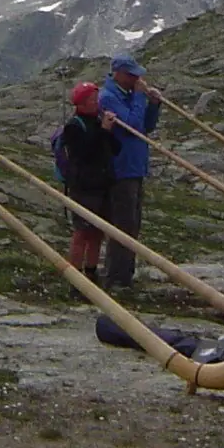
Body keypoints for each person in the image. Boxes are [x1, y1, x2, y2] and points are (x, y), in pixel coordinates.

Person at [97, 52, 162, 291]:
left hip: (135, 166)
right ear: (119, 75)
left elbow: (145, 126)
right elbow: (131, 126)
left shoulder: (127, 95)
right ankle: (115, 277)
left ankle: (126, 274)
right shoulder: (108, 97)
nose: (137, 79)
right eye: (132, 75)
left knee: (133, 223)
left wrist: (153, 105)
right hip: (120, 168)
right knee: (122, 224)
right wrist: (138, 96)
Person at [59, 81, 119, 295]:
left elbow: (115, 149)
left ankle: (91, 273)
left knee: (97, 232)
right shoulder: (74, 126)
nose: (97, 103)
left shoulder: (97, 120)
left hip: (102, 185)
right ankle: (75, 279)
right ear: (82, 104)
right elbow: (84, 153)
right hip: (84, 187)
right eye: (93, 100)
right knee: (82, 232)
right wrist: (103, 131)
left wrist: (110, 130)